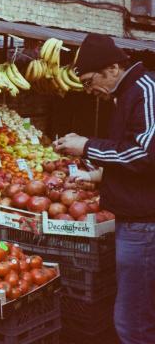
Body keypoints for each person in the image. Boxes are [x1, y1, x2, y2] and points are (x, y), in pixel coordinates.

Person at [53, 33, 155, 344]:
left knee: (132, 321)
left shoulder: (145, 90)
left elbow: (146, 154)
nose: (88, 90)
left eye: (87, 81)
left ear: (111, 68)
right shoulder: (127, 94)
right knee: (138, 315)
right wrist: (102, 177)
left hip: (145, 223)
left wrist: (87, 146)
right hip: (135, 219)